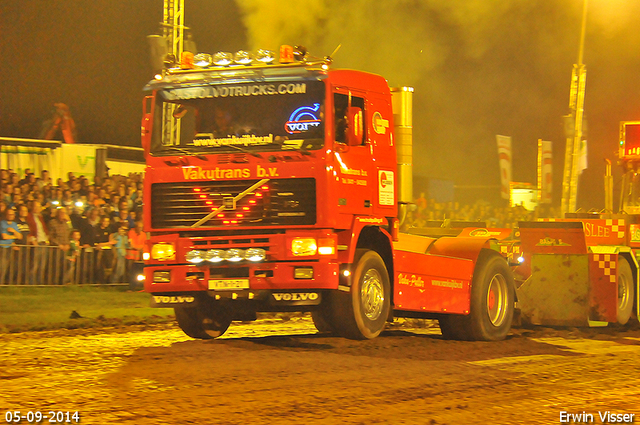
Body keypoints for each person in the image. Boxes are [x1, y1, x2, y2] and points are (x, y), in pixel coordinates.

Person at [27, 201, 50, 285]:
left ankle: (40, 283)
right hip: (37, 243)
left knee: (42, 265)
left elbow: (44, 230)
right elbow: (29, 229)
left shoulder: (40, 217)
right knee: (35, 265)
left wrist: (47, 239)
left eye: (39, 207)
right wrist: (33, 240)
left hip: (43, 242)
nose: (38, 208)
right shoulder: (29, 216)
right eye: (36, 206)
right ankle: (31, 283)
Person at [0, 208, 23, 283]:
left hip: (10, 247)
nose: (11, 216)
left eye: (12, 214)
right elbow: (4, 237)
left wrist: (13, 231)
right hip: (2, 247)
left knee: (7, 267)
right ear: (6, 215)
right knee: (2, 267)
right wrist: (15, 235)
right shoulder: (2, 223)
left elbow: (20, 236)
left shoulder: (14, 224)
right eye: (9, 214)